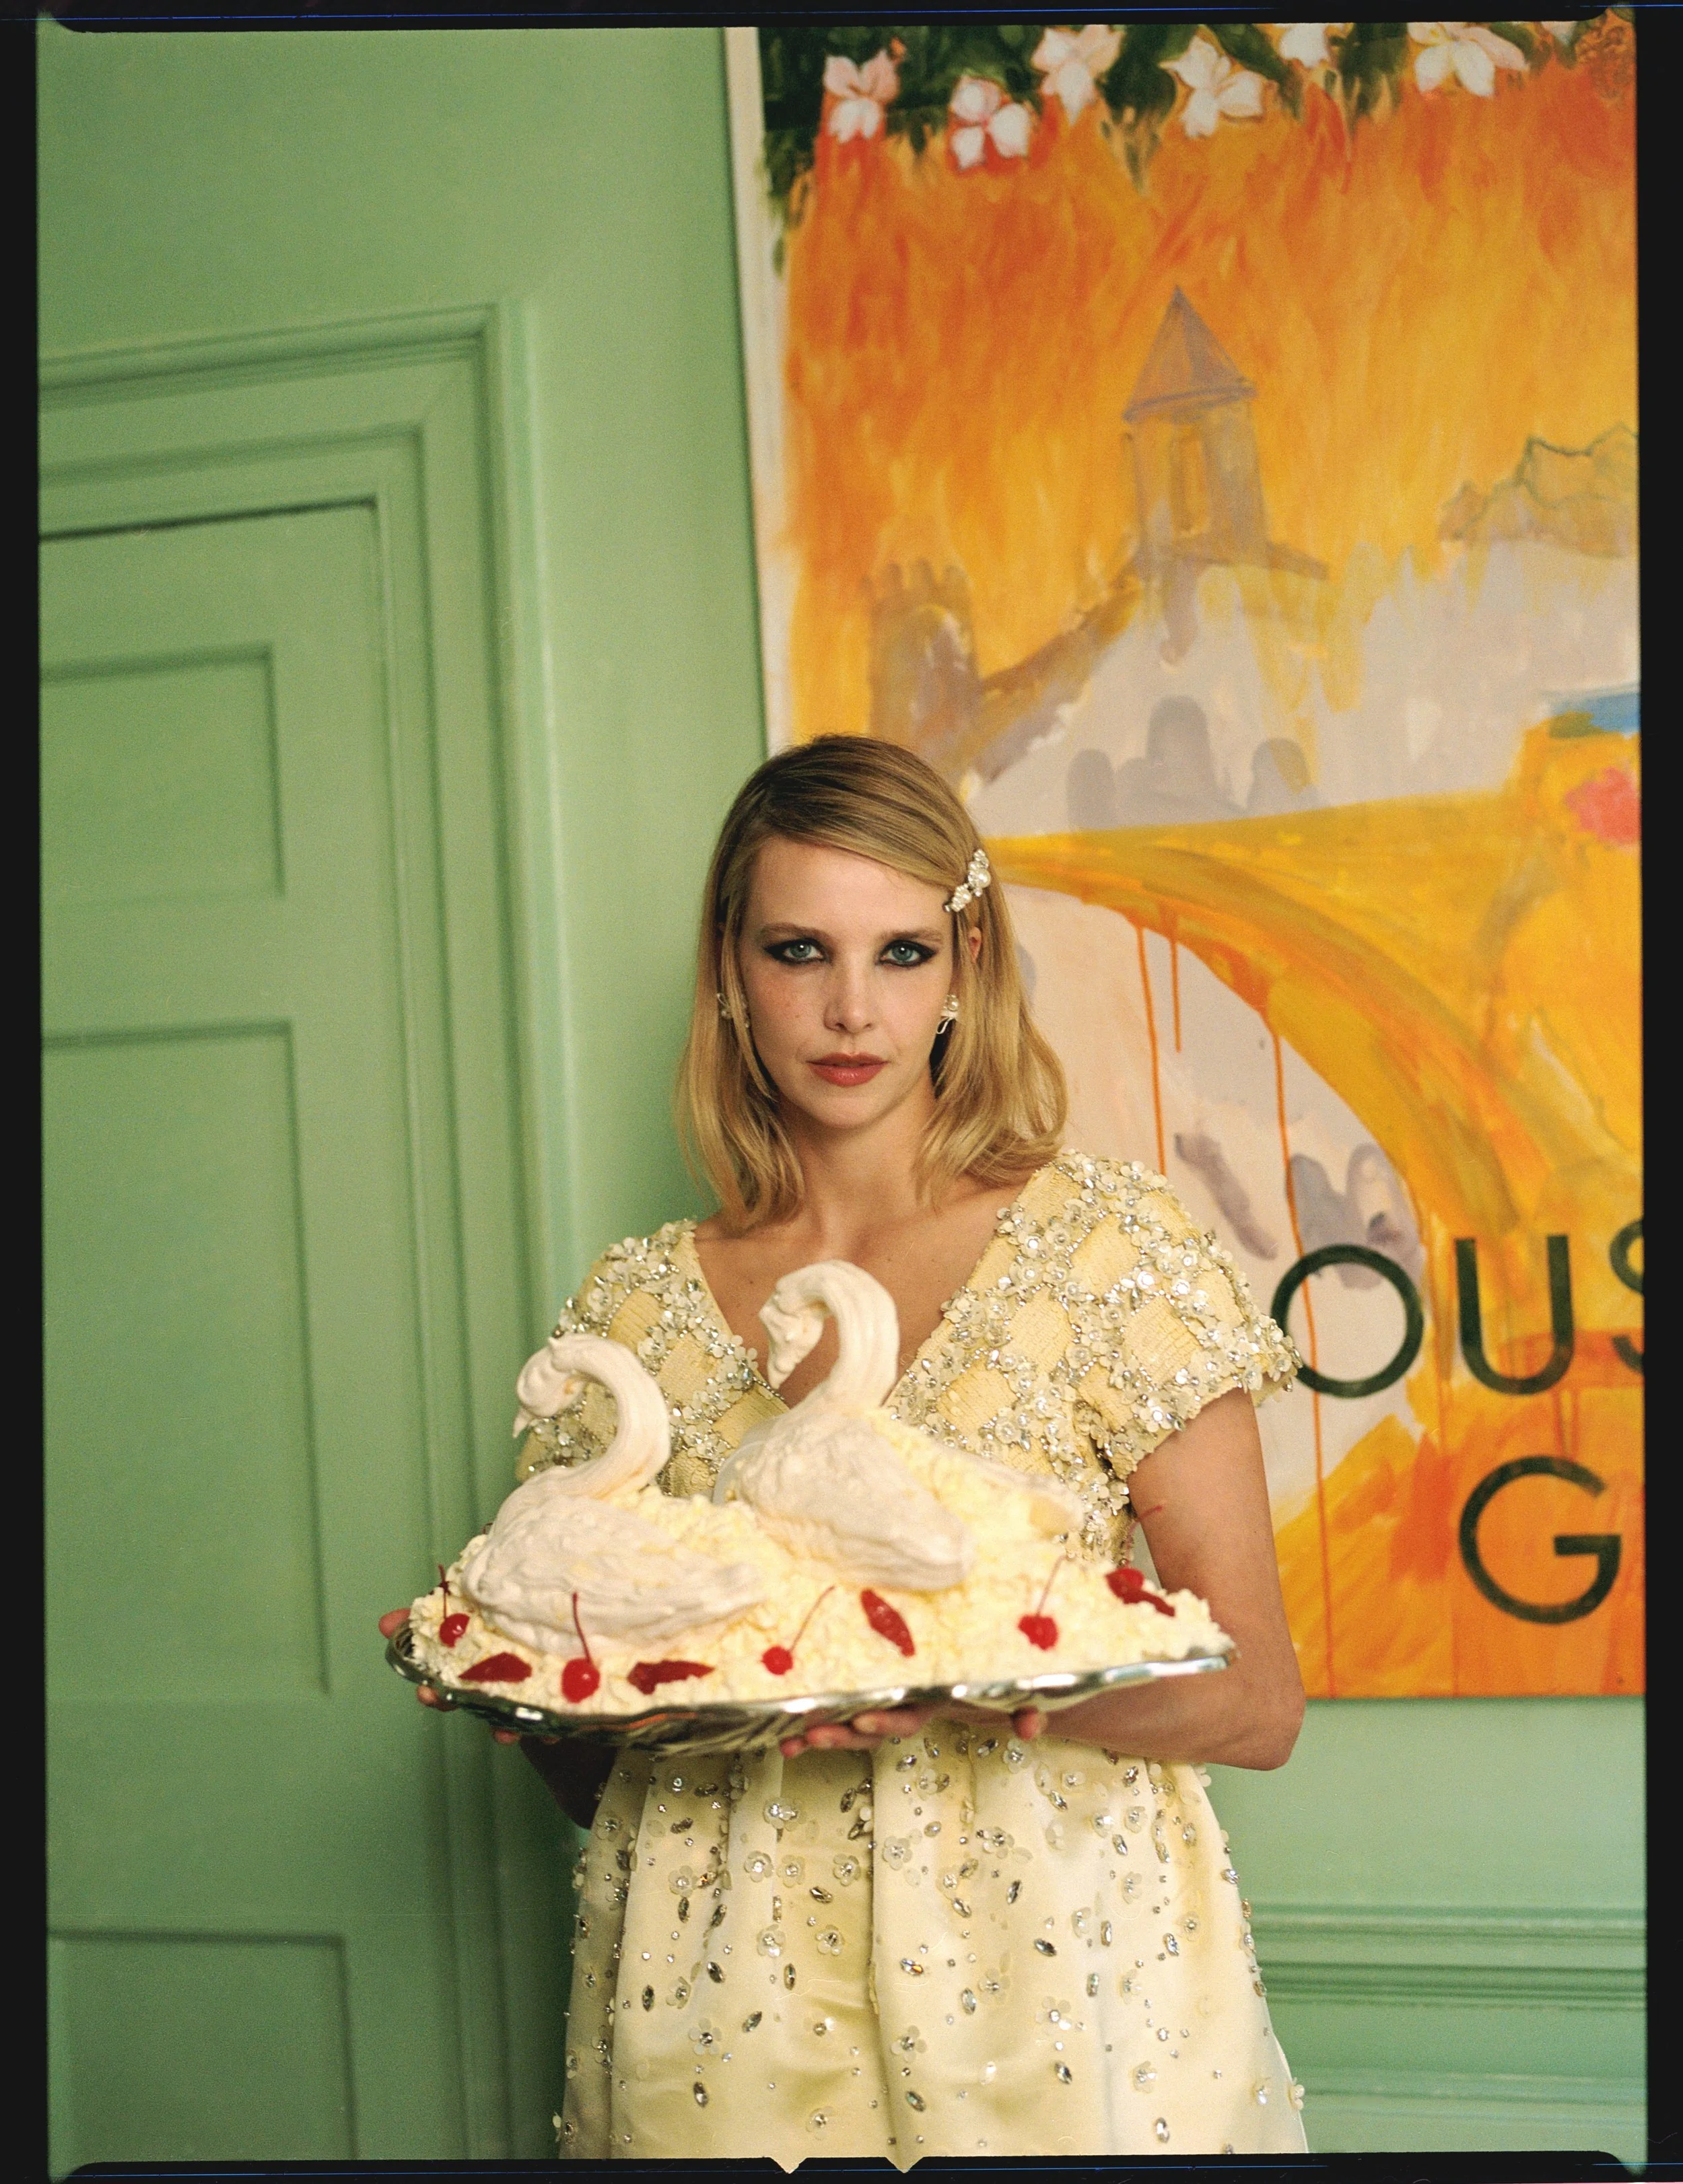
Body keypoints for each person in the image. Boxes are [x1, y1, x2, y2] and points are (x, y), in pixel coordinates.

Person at [382, 735, 1308, 2165]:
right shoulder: (631, 1309)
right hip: (710, 1996)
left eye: (900, 952)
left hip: (1057, 1980)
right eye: (799, 948)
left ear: (964, 966)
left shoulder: (1106, 1252)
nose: (849, 1008)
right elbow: (600, 1773)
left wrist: (959, 1695)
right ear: (729, 969)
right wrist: (520, 1687)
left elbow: (1255, 1701)